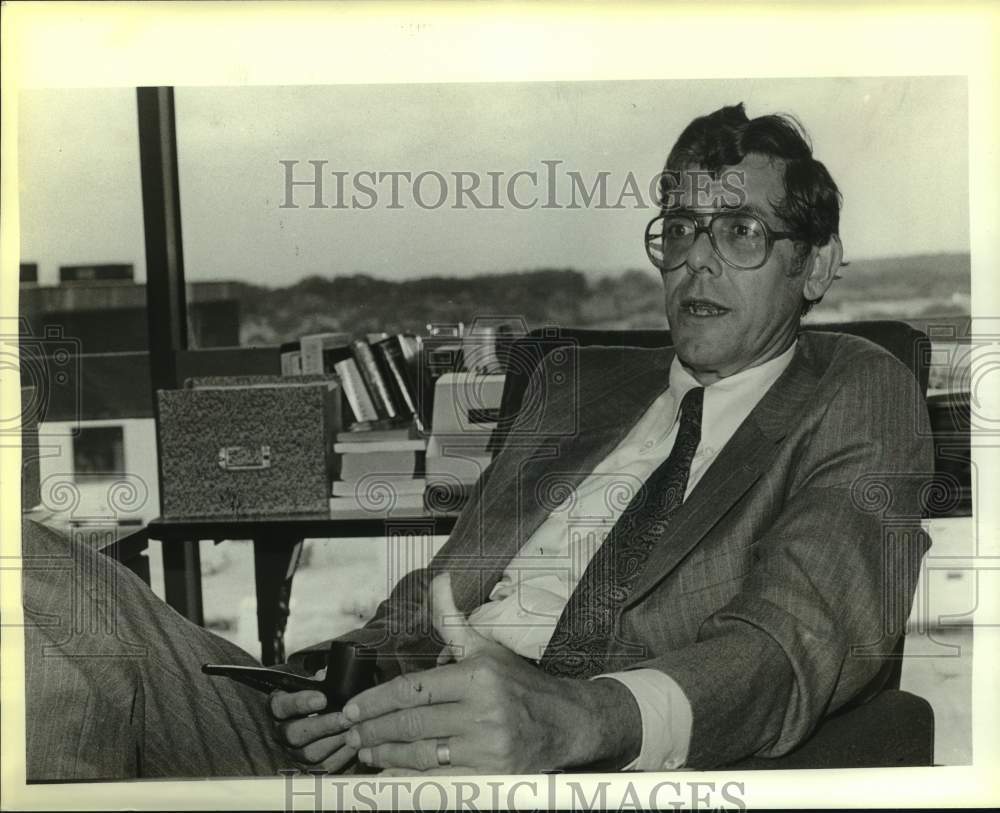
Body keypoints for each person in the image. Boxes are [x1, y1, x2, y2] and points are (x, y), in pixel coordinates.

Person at [22, 103, 933, 779]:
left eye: (739, 231)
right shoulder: (580, 384)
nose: (696, 257)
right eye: (683, 227)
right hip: (378, 733)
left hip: (567, 767)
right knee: (33, 583)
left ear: (815, 265)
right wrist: (331, 679)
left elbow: (794, 640)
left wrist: (581, 717)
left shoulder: (855, 389)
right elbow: (440, 594)